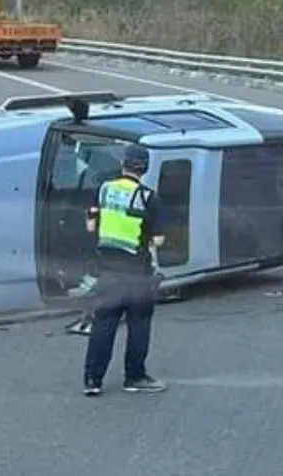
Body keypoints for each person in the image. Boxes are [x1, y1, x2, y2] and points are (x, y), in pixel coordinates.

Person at [82, 144, 167, 396]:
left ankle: (92, 380)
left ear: (123, 164)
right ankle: (134, 377)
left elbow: (90, 226)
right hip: (138, 275)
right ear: (145, 168)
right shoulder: (149, 198)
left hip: (108, 272)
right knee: (138, 325)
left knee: (103, 325)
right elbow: (159, 240)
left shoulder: (103, 190)